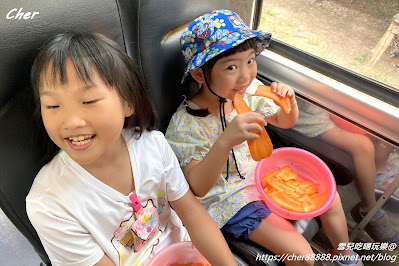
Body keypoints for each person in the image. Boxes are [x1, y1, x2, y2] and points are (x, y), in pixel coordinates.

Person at [166, 9, 363, 266]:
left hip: (264, 177)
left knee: (330, 196)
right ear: (200, 74)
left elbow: (284, 121)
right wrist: (225, 141)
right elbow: (198, 188)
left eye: (250, 60)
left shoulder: (247, 92)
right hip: (231, 199)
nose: (246, 75)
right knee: (303, 257)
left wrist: (288, 103)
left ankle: (345, 259)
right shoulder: (185, 124)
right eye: (232, 67)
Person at [26, 32, 237, 266]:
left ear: (128, 102)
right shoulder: (50, 204)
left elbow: (192, 214)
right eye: (53, 105)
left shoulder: (153, 146)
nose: (71, 121)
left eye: (88, 101)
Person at [292, 98, 399, 244]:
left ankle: (377, 173)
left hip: (327, 104)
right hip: (308, 109)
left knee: (389, 125)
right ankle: (368, 209)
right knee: (363, 145)